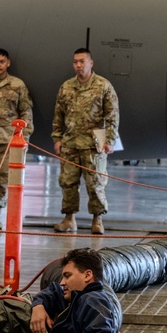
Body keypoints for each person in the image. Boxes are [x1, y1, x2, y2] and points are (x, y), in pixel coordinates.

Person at [51, 48, 119, 235]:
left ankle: (97, 220)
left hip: (94, 145)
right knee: (68, 183)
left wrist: (110, 140)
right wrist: (57, 138)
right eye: (75, 62)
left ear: (91, 63)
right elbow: (58, 115)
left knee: (95, 183)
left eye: (82, 61)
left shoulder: (103, 86)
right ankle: (69, 219)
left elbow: (112, 116)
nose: (78, 65)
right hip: (71, 143)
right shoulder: (66, 87)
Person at [0, 48, 33, 230]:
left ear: (8, 63)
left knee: (3, 179)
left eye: (2, 61)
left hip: (8, 140)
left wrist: (24, 139)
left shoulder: (17, 85)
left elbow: (26, 111)